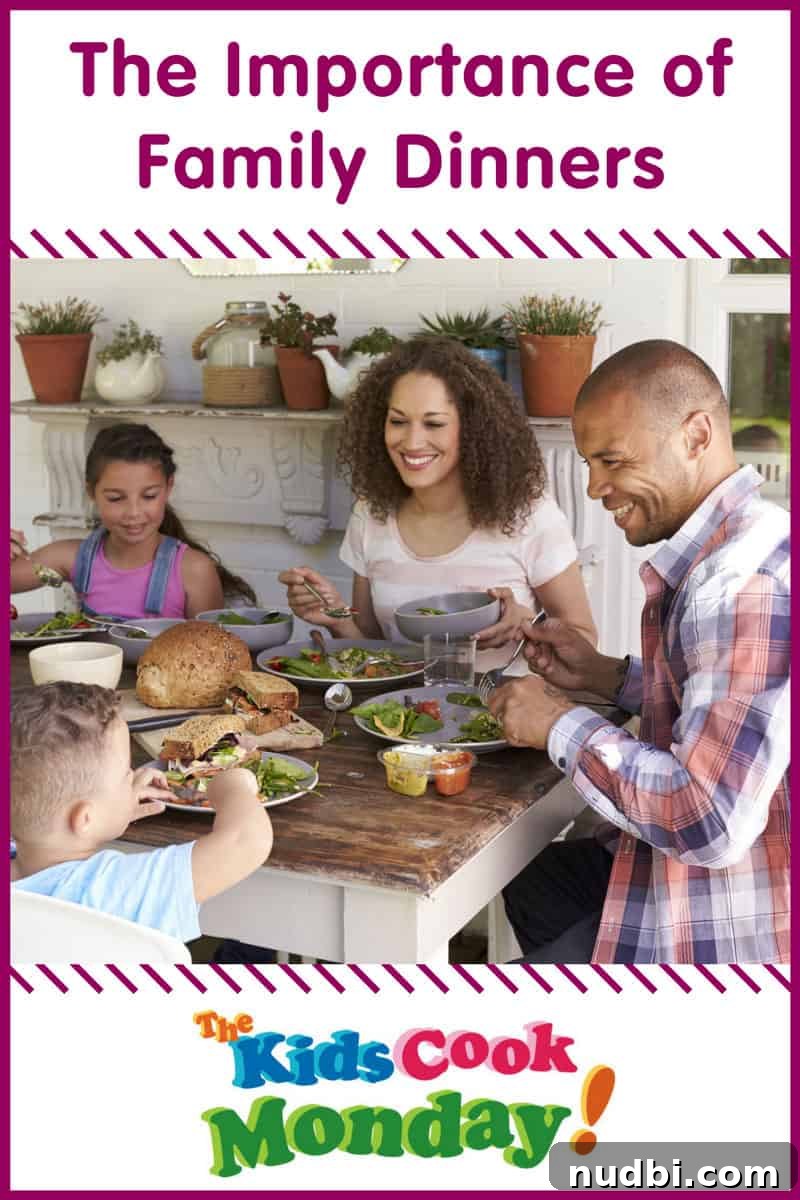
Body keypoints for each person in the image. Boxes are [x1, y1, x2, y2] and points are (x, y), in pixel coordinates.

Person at [488, 339, 789, 964]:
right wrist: (608, 677)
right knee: (531, 879)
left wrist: (556, 722)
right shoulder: (753, 540)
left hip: (736, 918)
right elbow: (722, 704)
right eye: (588, 464)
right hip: (719, 870)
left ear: (696, 436)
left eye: (612, 460)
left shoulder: (738, 585)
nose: (596, 487)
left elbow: (709, 821)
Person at [280, 338, 596, 663]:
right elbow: (374, 652)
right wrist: (337, 619)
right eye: (398, 421)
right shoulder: (371, 515)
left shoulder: (529, 515)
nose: (412, 441)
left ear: (473, 429)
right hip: (401, 710)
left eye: (434, 424)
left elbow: (584, 642)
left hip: (506, 709)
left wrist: (527, 626)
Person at [11, 682, 273, 945]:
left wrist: (111, 806)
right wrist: (233, 788)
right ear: (85, 819)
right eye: (126, 774)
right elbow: (247, 841)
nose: (133, 777)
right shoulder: (114, 890)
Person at [11, 422, 256, 620]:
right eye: (116, 498)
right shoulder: (71, 558)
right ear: (91, 492)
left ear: (168, 487)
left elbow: (211, 658)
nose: (133, 513)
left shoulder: (195, 570)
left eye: (149, 496)